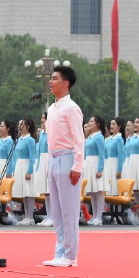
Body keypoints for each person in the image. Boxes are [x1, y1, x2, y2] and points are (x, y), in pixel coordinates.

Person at [42, 65, 85, 267]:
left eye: (54, 78)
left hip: (68, 159)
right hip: (53, 158)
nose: (50, 81)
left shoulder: (71, 108)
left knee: (69, 209)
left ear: (65, 82)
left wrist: (77, 165)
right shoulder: (52, 108)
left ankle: (71, 255)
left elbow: (79, 139)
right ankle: (60, 251)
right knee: (56, 211)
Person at [83, 116, 107, 225]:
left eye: (92, 121)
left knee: (99, 192)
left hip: (96, 164)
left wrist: (100, 169)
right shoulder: (90, 137)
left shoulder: (99, 137)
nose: (89, 123)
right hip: (89, 164)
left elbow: (102, 155)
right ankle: (94, 216)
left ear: (98, 124)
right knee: (92, 192)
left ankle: (99, 217)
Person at [34, 113, 53, 227]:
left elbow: (51, 149)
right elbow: (39, 151)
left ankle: (53, 217)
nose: (42, 120)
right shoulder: (42, 133)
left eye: (44, 118)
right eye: (41, 118)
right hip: (42, 159)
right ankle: (48, 215)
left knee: (51, 191)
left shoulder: (52, 133)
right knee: (46, 192)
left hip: (49, 159)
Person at [104, 117, 125, 197]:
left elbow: (121, 156)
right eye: (110, 124)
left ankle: (116, 208)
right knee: (108, 189)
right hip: (109, 165)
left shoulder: (119, 139)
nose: (111, 126)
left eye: (114, 124)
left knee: (115, 189)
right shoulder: (110, 139)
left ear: (119, 126)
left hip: (115, 165)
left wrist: (119, 170)